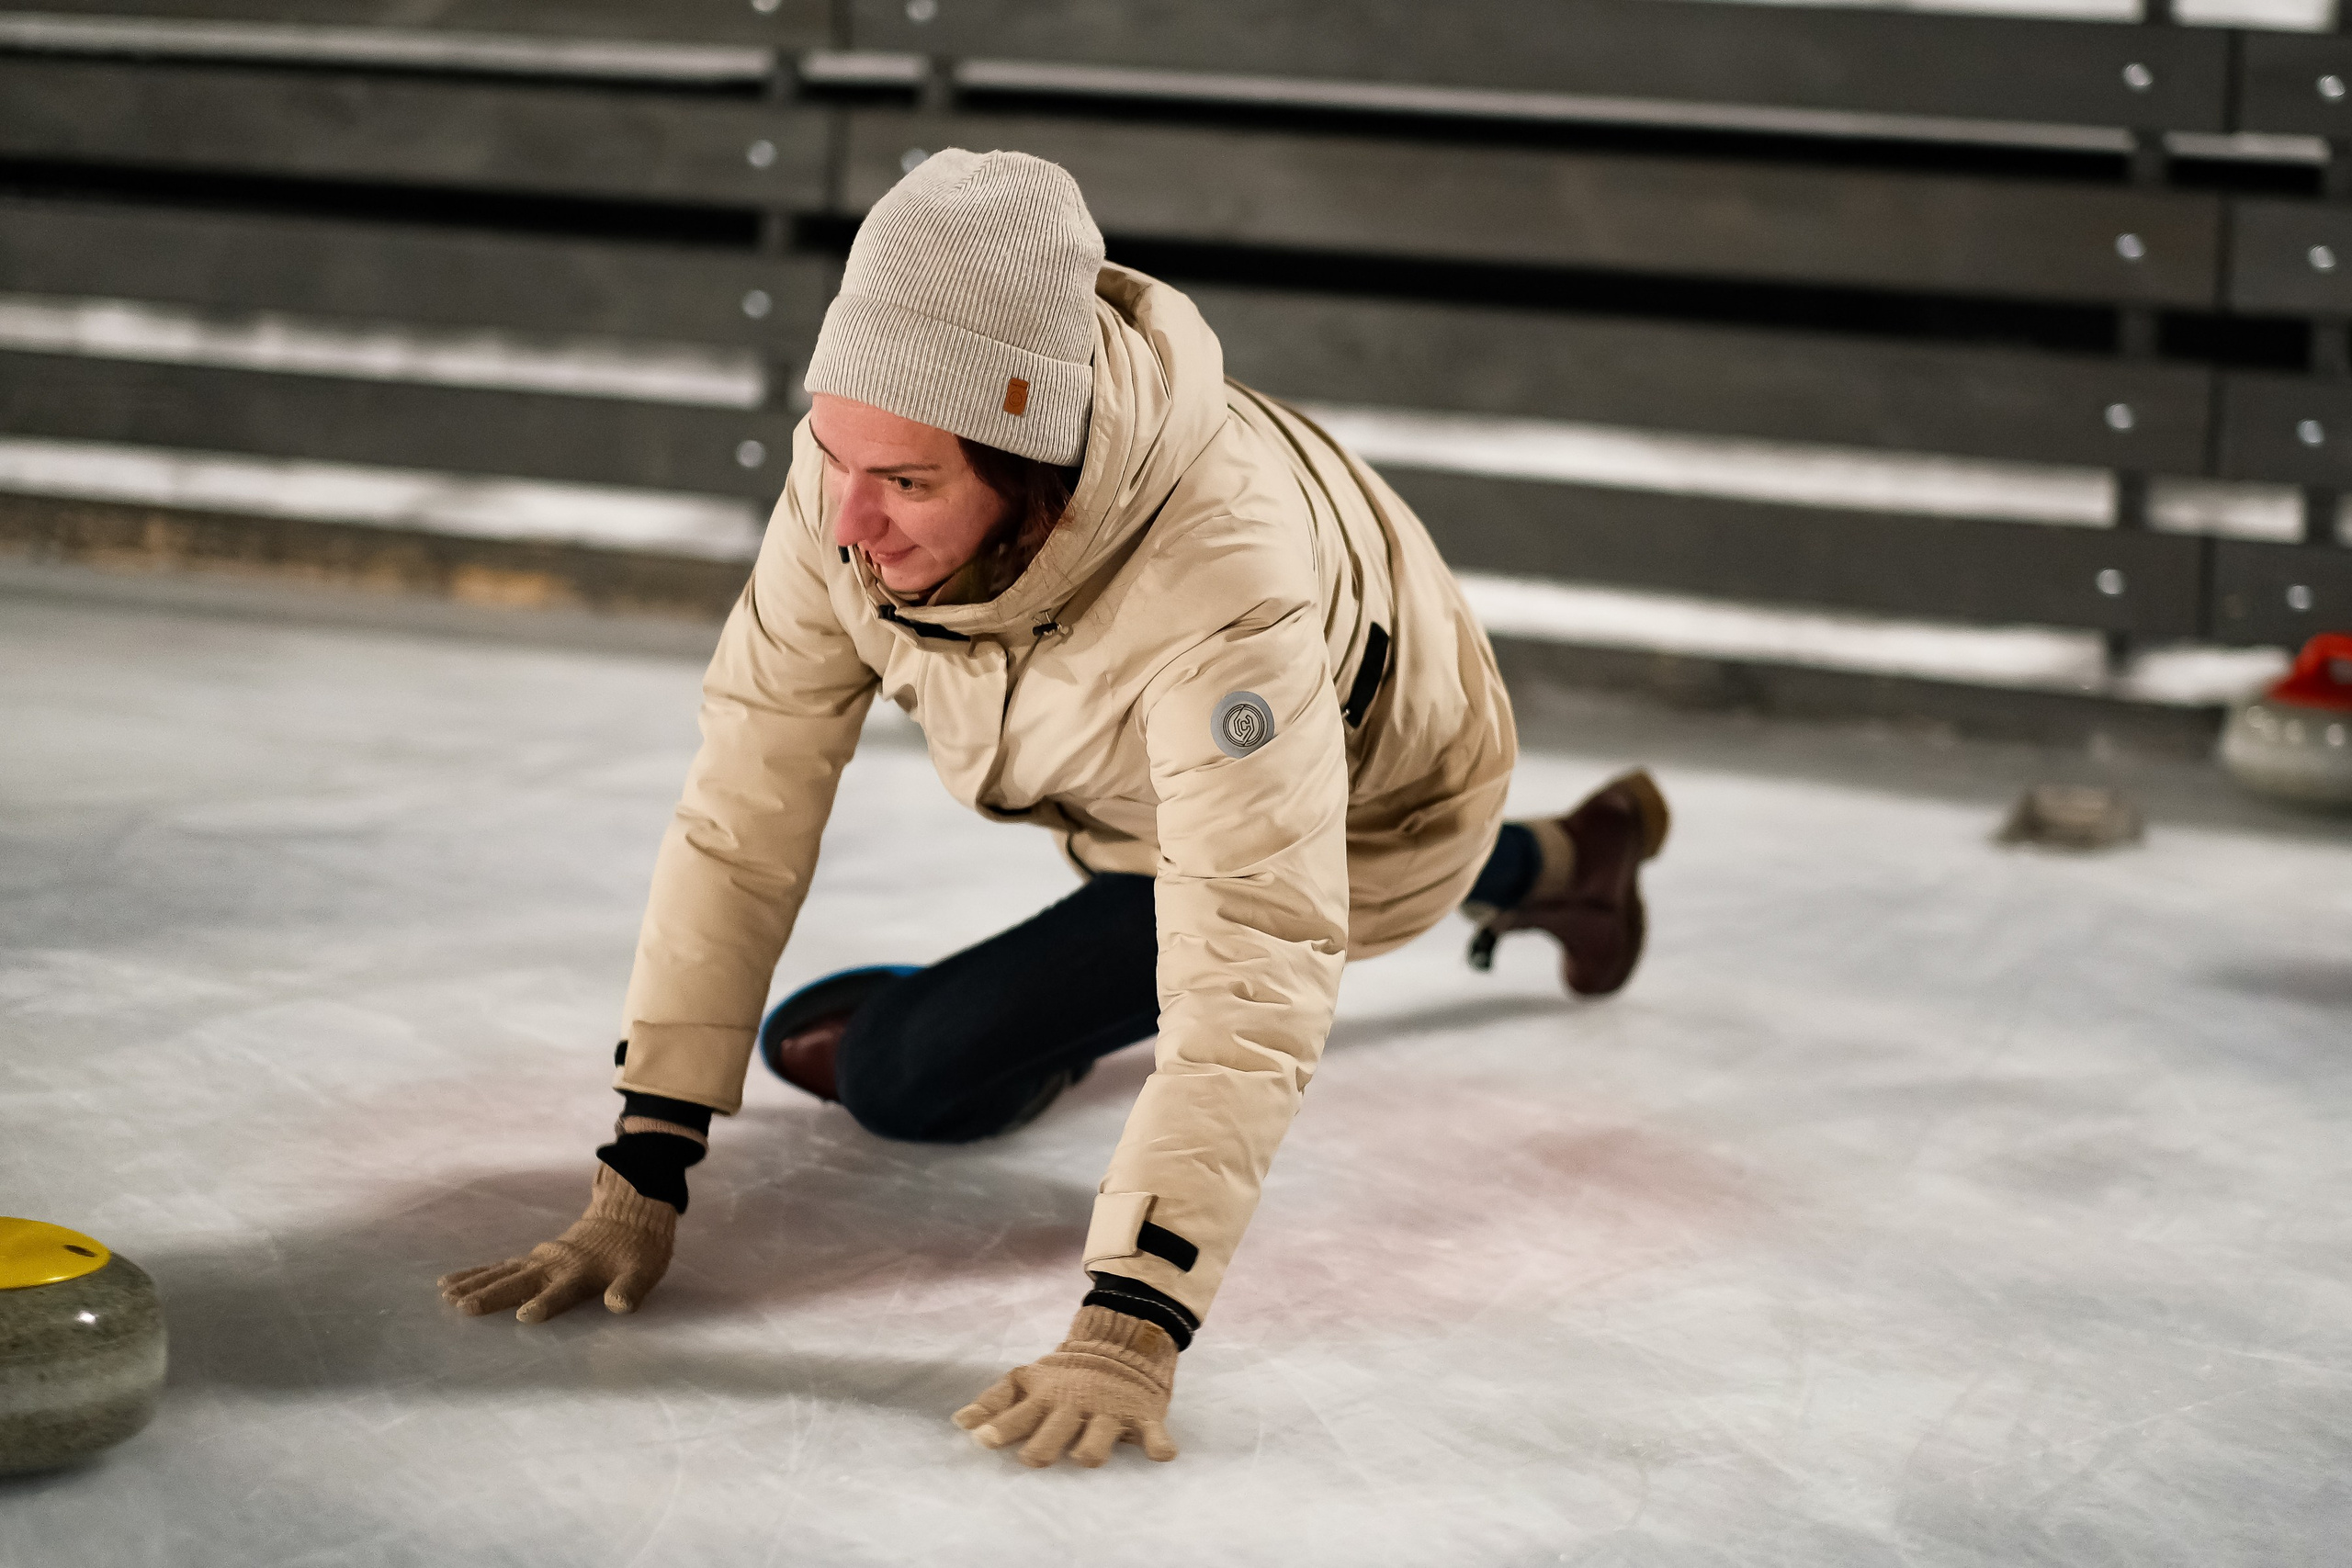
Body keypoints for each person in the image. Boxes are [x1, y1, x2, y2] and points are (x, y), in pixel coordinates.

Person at [435, 150, 1669, 1470]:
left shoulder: (1223, 594)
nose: (848, 521)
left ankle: (1518, 863)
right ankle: (1568, 864)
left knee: (901, 1075)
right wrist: (646, 1159)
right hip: (1147, 777)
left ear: (1037, 466)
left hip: (1380, 801)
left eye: (905, 483)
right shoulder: (856, 469)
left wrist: (1130, 1320)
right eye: (834, 453)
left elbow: (1254, 945)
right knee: (818, 1031)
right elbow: (747, 800)